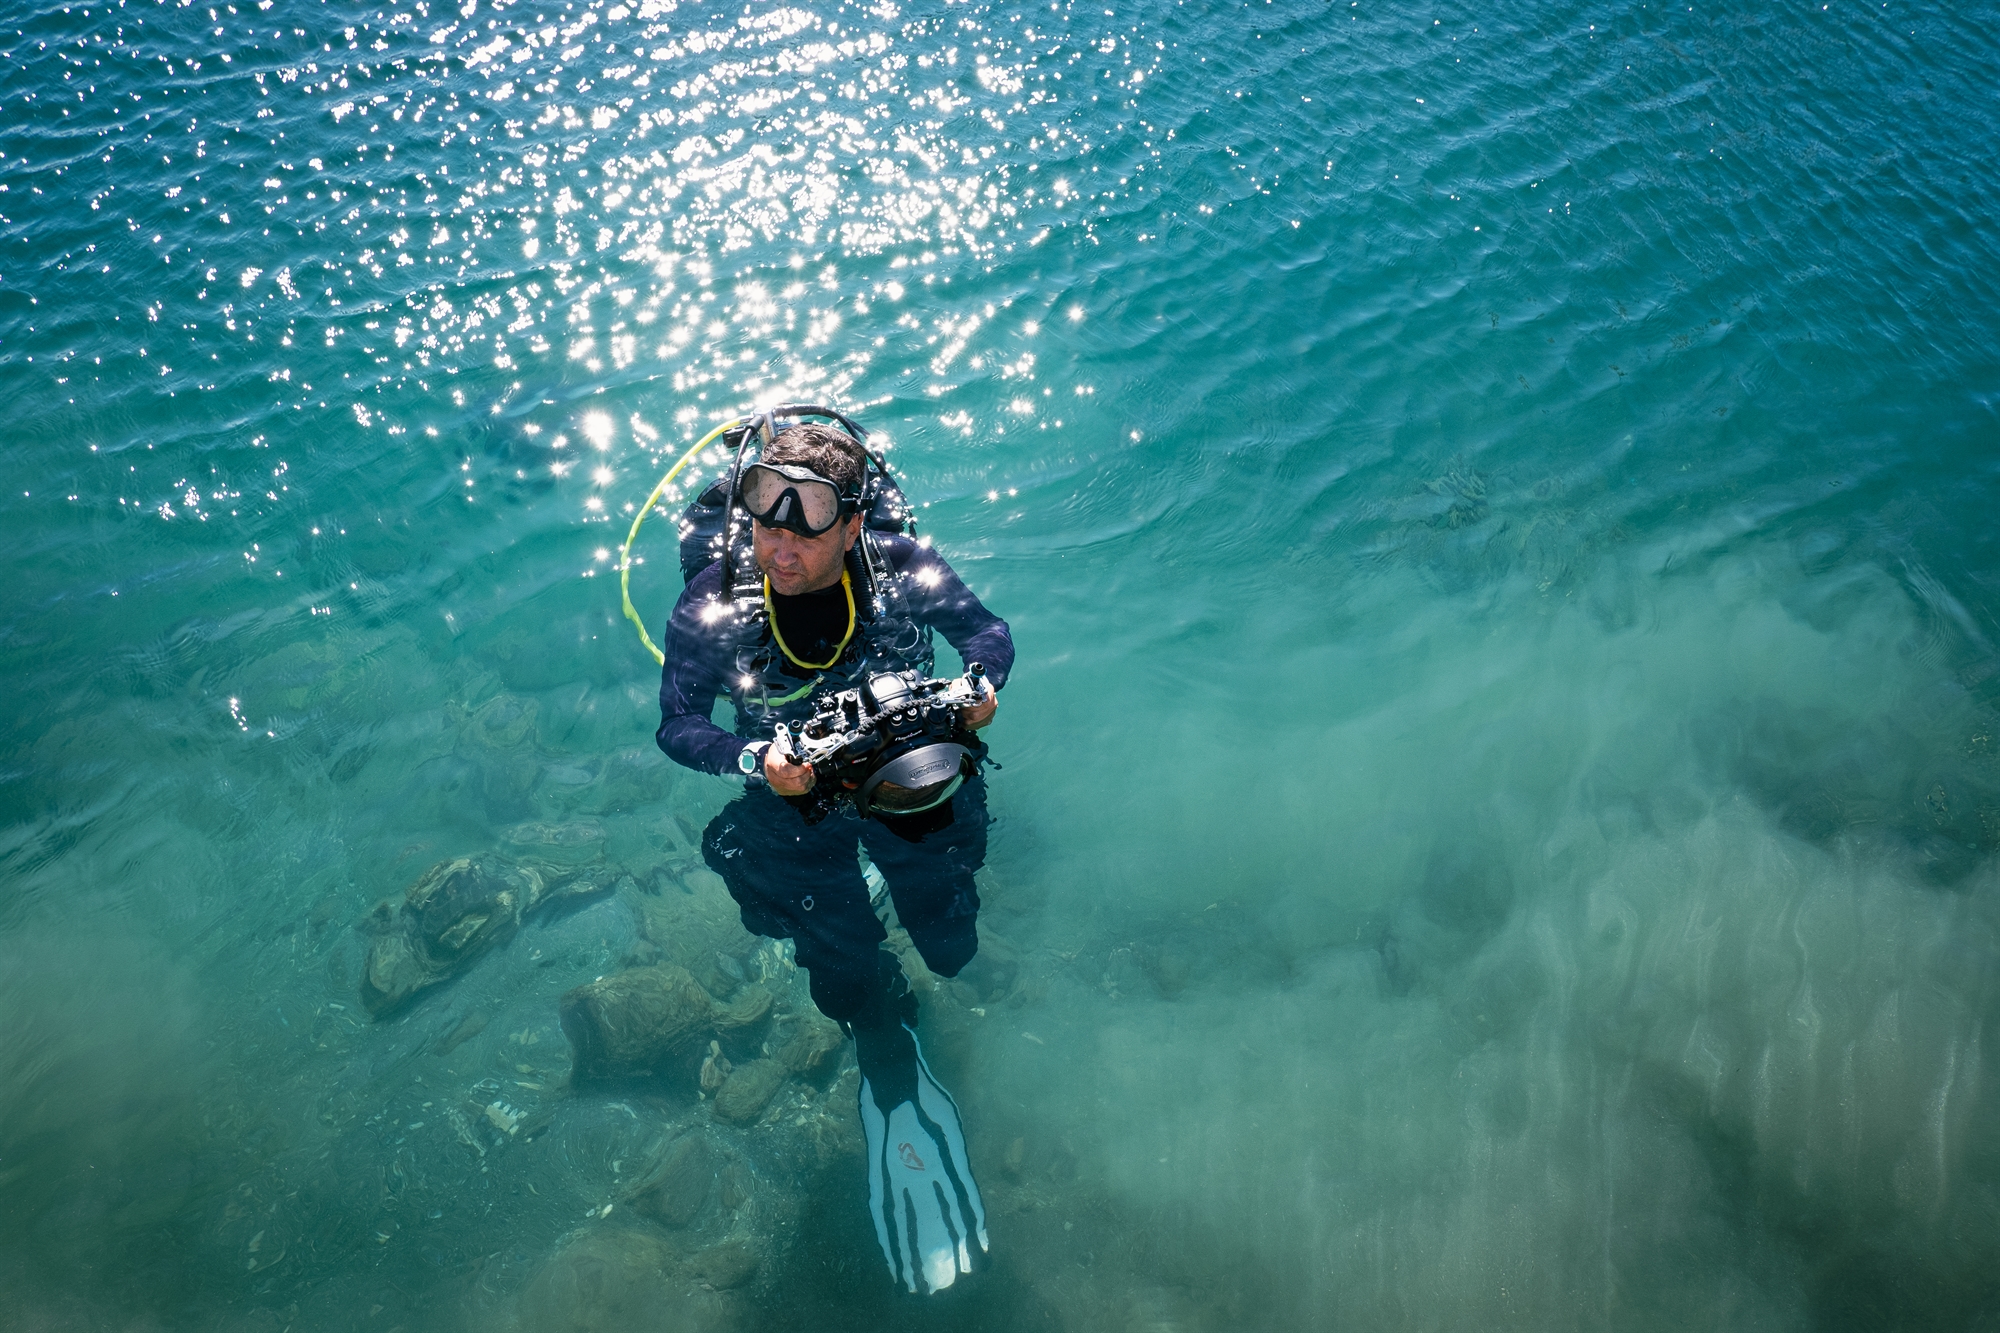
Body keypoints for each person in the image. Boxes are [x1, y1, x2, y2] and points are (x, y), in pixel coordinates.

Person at [654, 419, 1013, 1294]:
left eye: (804, 531)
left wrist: (981, 688)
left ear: (852, 526)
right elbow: (678, 723)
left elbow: (986, 632)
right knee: (848, 980)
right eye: (763, 527)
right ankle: (884, 1039)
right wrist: (753, 760)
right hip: (793, 798)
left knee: (952, 949)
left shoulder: (900, 564)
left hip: (905, 776)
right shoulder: (713, 602)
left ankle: (901, 903)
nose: (778, 550)